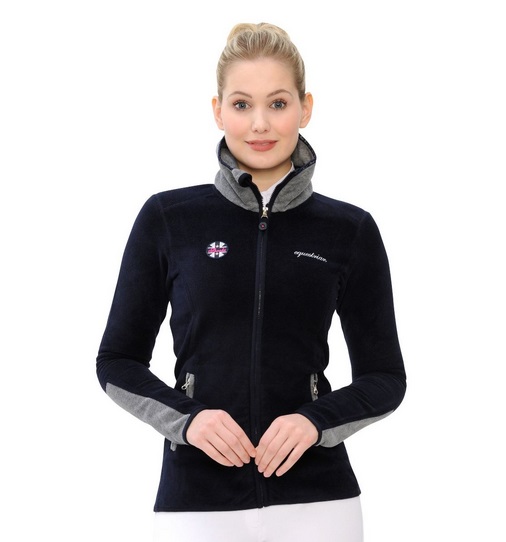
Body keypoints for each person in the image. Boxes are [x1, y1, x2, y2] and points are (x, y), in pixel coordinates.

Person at [96, 22, 406, 542]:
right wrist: (188, 420)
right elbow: (116, 361)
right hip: (196, 504)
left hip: (320, 504)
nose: (260, 123)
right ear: (218, 110)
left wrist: (316, 422)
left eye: (278, 103)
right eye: (242, 104)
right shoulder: (169, 218)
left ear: (305, 108)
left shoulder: (349, 230)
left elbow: (385, 377)